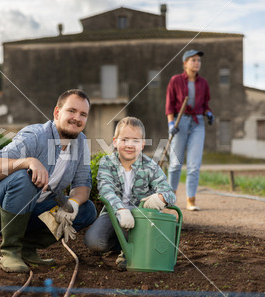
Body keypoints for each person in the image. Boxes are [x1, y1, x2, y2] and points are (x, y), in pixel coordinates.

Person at [0, 89, 97, 273]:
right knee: (25, 176)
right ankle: (10, 251)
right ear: (57, 112)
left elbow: (83, 186)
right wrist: (28, 161)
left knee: (87, 210)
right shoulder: (36, 135)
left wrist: (74, 204)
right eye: (72, 111)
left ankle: (27, 248)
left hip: (30, 211)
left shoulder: (81, 143)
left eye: (83, 114)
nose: (77, 118)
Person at [84, 117, 176, 269]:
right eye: (125, 139)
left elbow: (170, 193)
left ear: (142, 144)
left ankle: (132, 251)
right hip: (113, 214)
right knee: (93, 241)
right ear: (115, 141)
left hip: (140, 217)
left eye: (135, 140)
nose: (129, 145)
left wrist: (160, 198)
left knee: (135, 213)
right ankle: (123, 245)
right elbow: (106, 189)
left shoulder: (150, 166)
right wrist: (120, 209)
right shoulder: (107, 163)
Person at [165, 49, 214, 211]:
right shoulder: (175, 80)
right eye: (193, 60)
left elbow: (205, 104)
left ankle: (190, 200)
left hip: (197, 123)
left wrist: (208, 113)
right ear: (185, 63)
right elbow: (169, 105)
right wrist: (171, 124)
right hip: (180, 122)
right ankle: (170, 199)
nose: (197, 63)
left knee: (194, 165)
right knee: (175, 164)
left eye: (198, 60)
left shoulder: (204, 83)